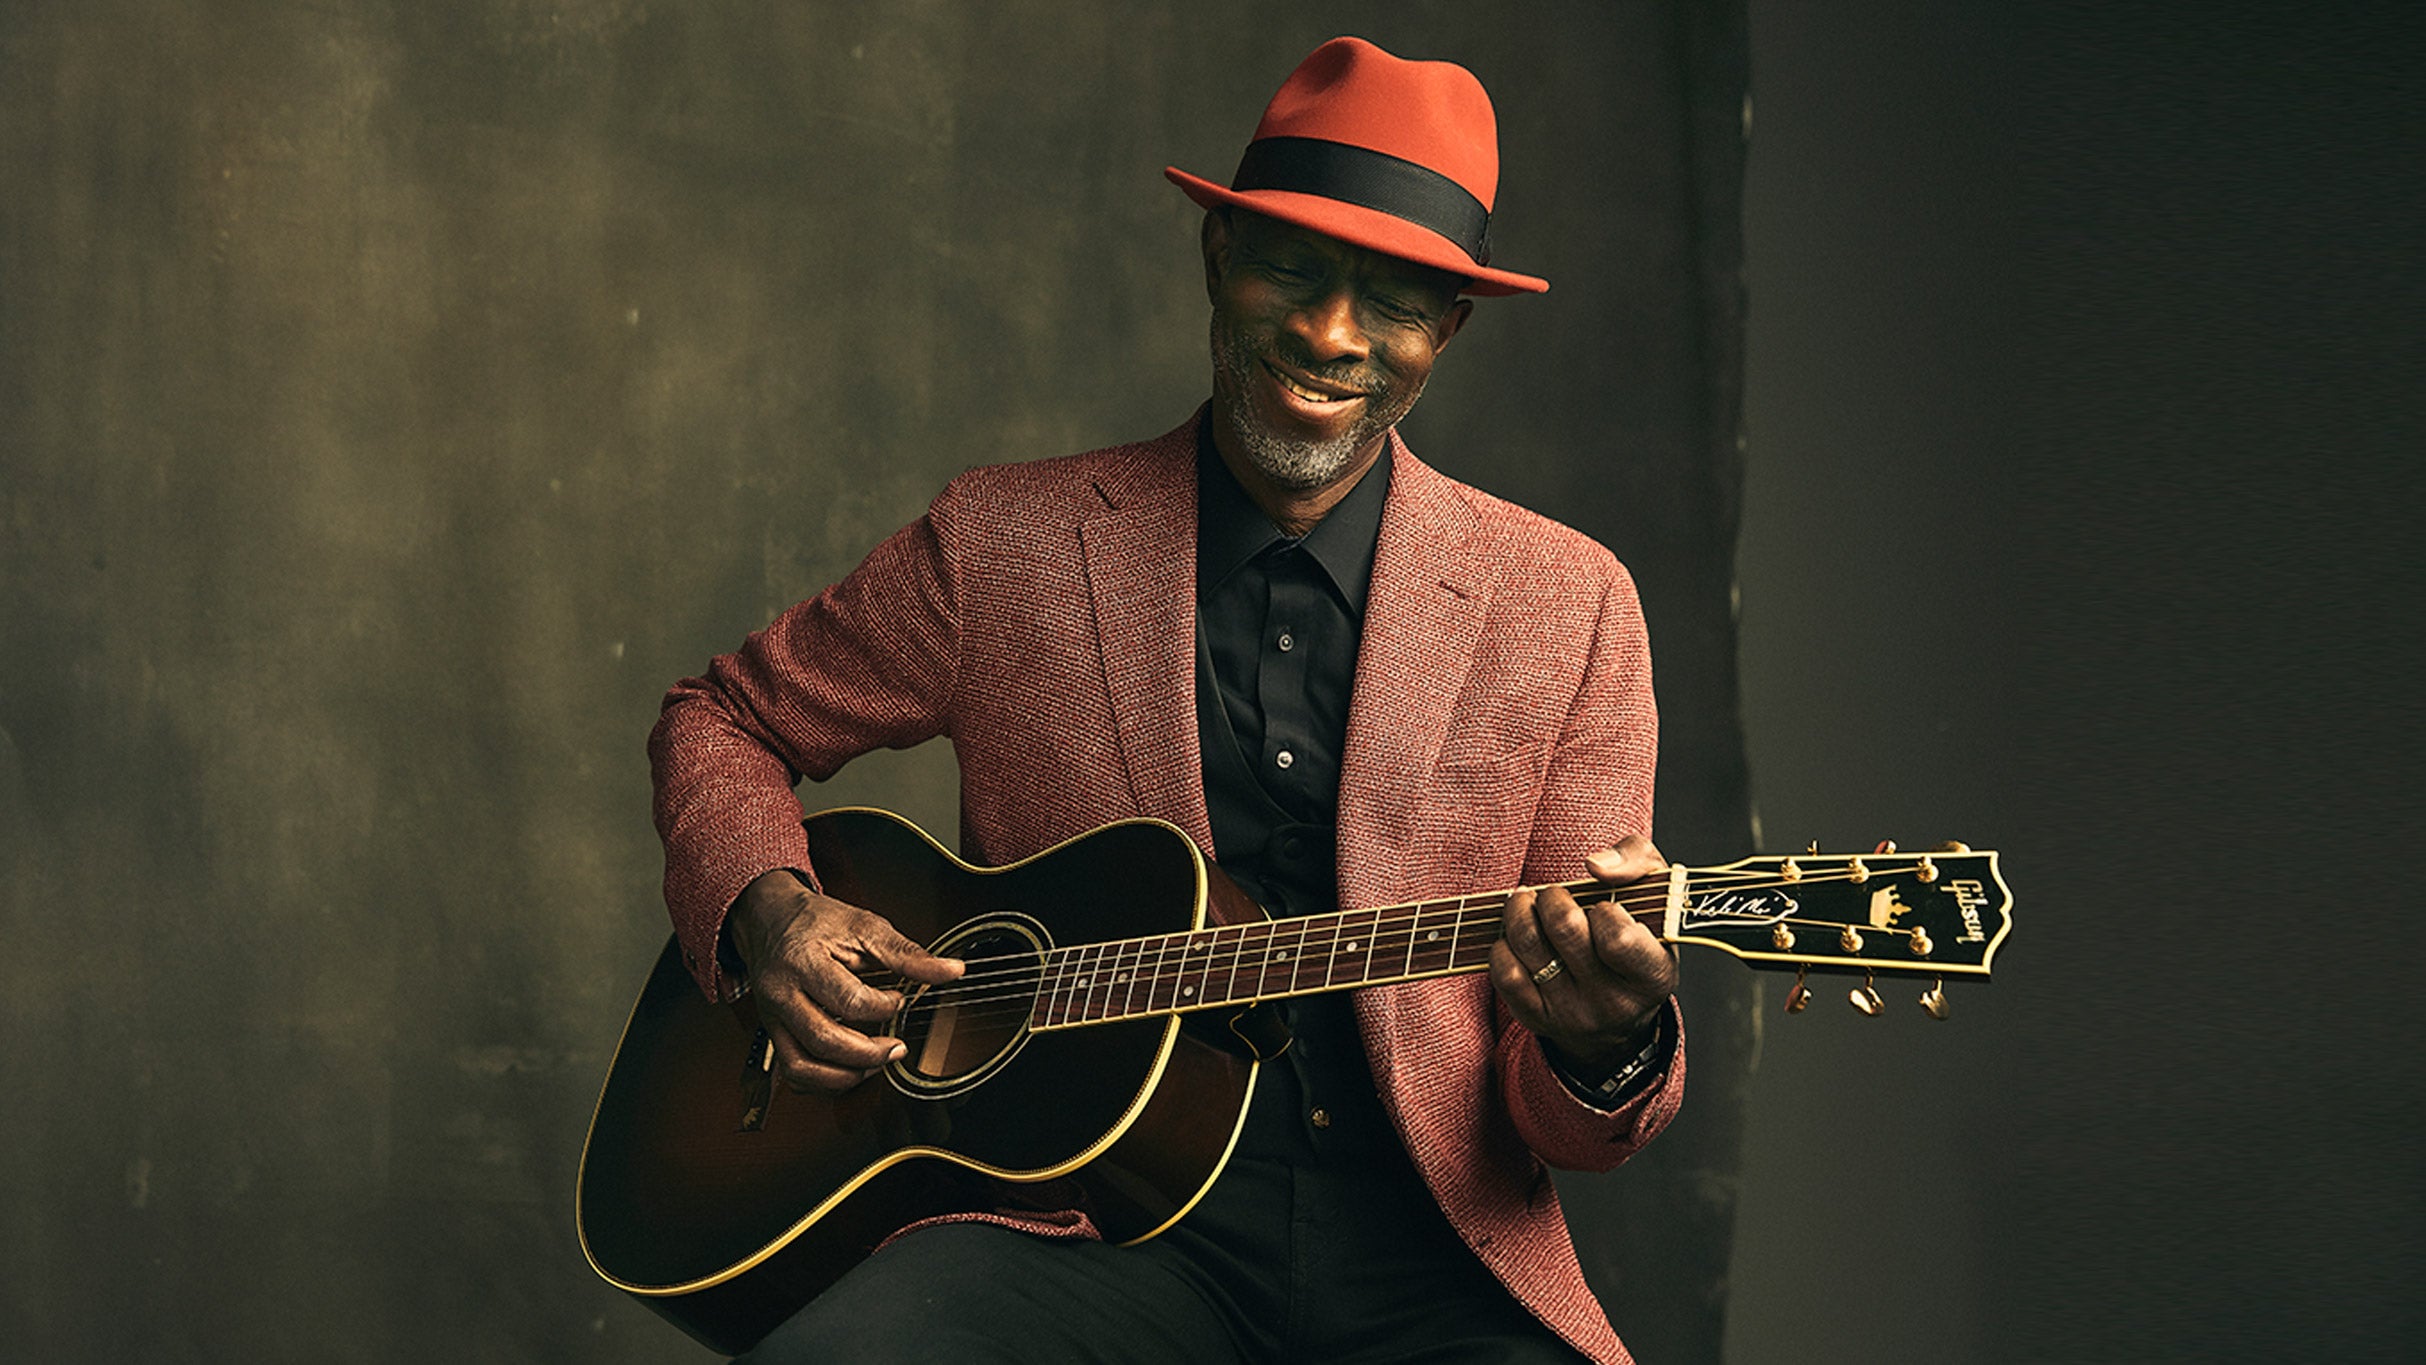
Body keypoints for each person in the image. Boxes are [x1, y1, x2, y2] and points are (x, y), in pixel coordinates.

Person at [649, 36, 1684, 1365]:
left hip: (1433, 1253)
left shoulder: (1569, 601)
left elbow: (1567, 1121)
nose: (1328, 334)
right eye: (1291, 270)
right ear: (1217, 257)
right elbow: (717, 715)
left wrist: (1604, 1041)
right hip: (1081, 1233)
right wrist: (771, 913)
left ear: (1448, 328)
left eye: (1393, 299)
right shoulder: (1003, 542)